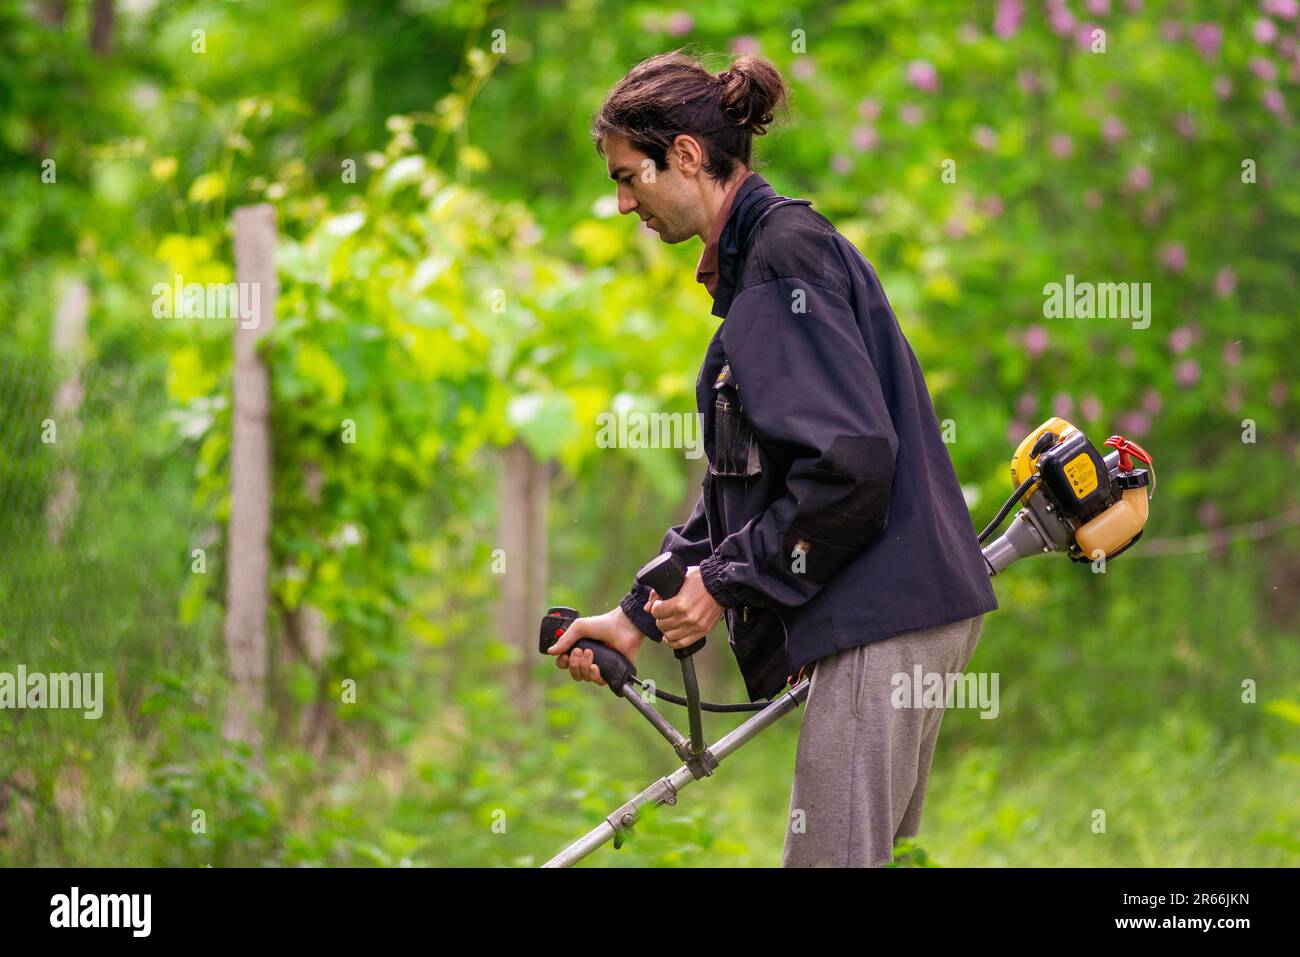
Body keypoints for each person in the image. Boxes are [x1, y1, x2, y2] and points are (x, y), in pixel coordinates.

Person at [547, 50, 998, 867]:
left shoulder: (783, 259)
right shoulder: (766, 260)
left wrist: (722, 586)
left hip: (883, 615)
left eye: (628, 177)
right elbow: (751, 485)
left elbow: (851, 464)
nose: (621, 203)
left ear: (685, 155)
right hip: (892, 613)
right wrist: (640, 611)